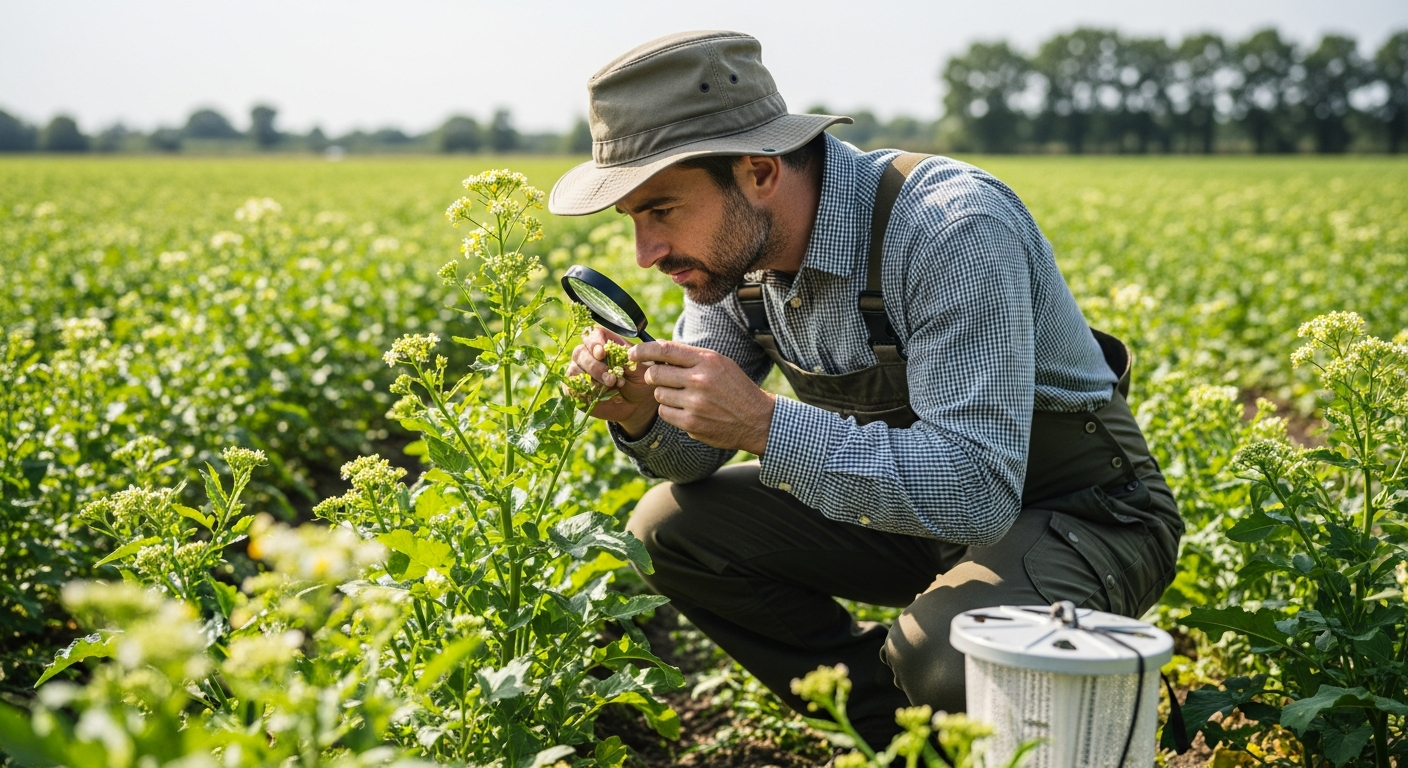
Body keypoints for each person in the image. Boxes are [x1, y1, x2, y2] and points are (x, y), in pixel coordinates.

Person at [553, 30, 1183, 747]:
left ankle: (980, 699)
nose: (646, 255)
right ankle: (907, 740)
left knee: (948, 655)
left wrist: (765, 425)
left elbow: (979, 490)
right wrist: (644, 420)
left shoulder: (950, 229)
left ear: (759, 172)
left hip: (1079, 512)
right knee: (669, 528)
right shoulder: (730, 258)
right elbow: (692, 459)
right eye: (631, 219)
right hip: (920, 514)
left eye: (661, 210)